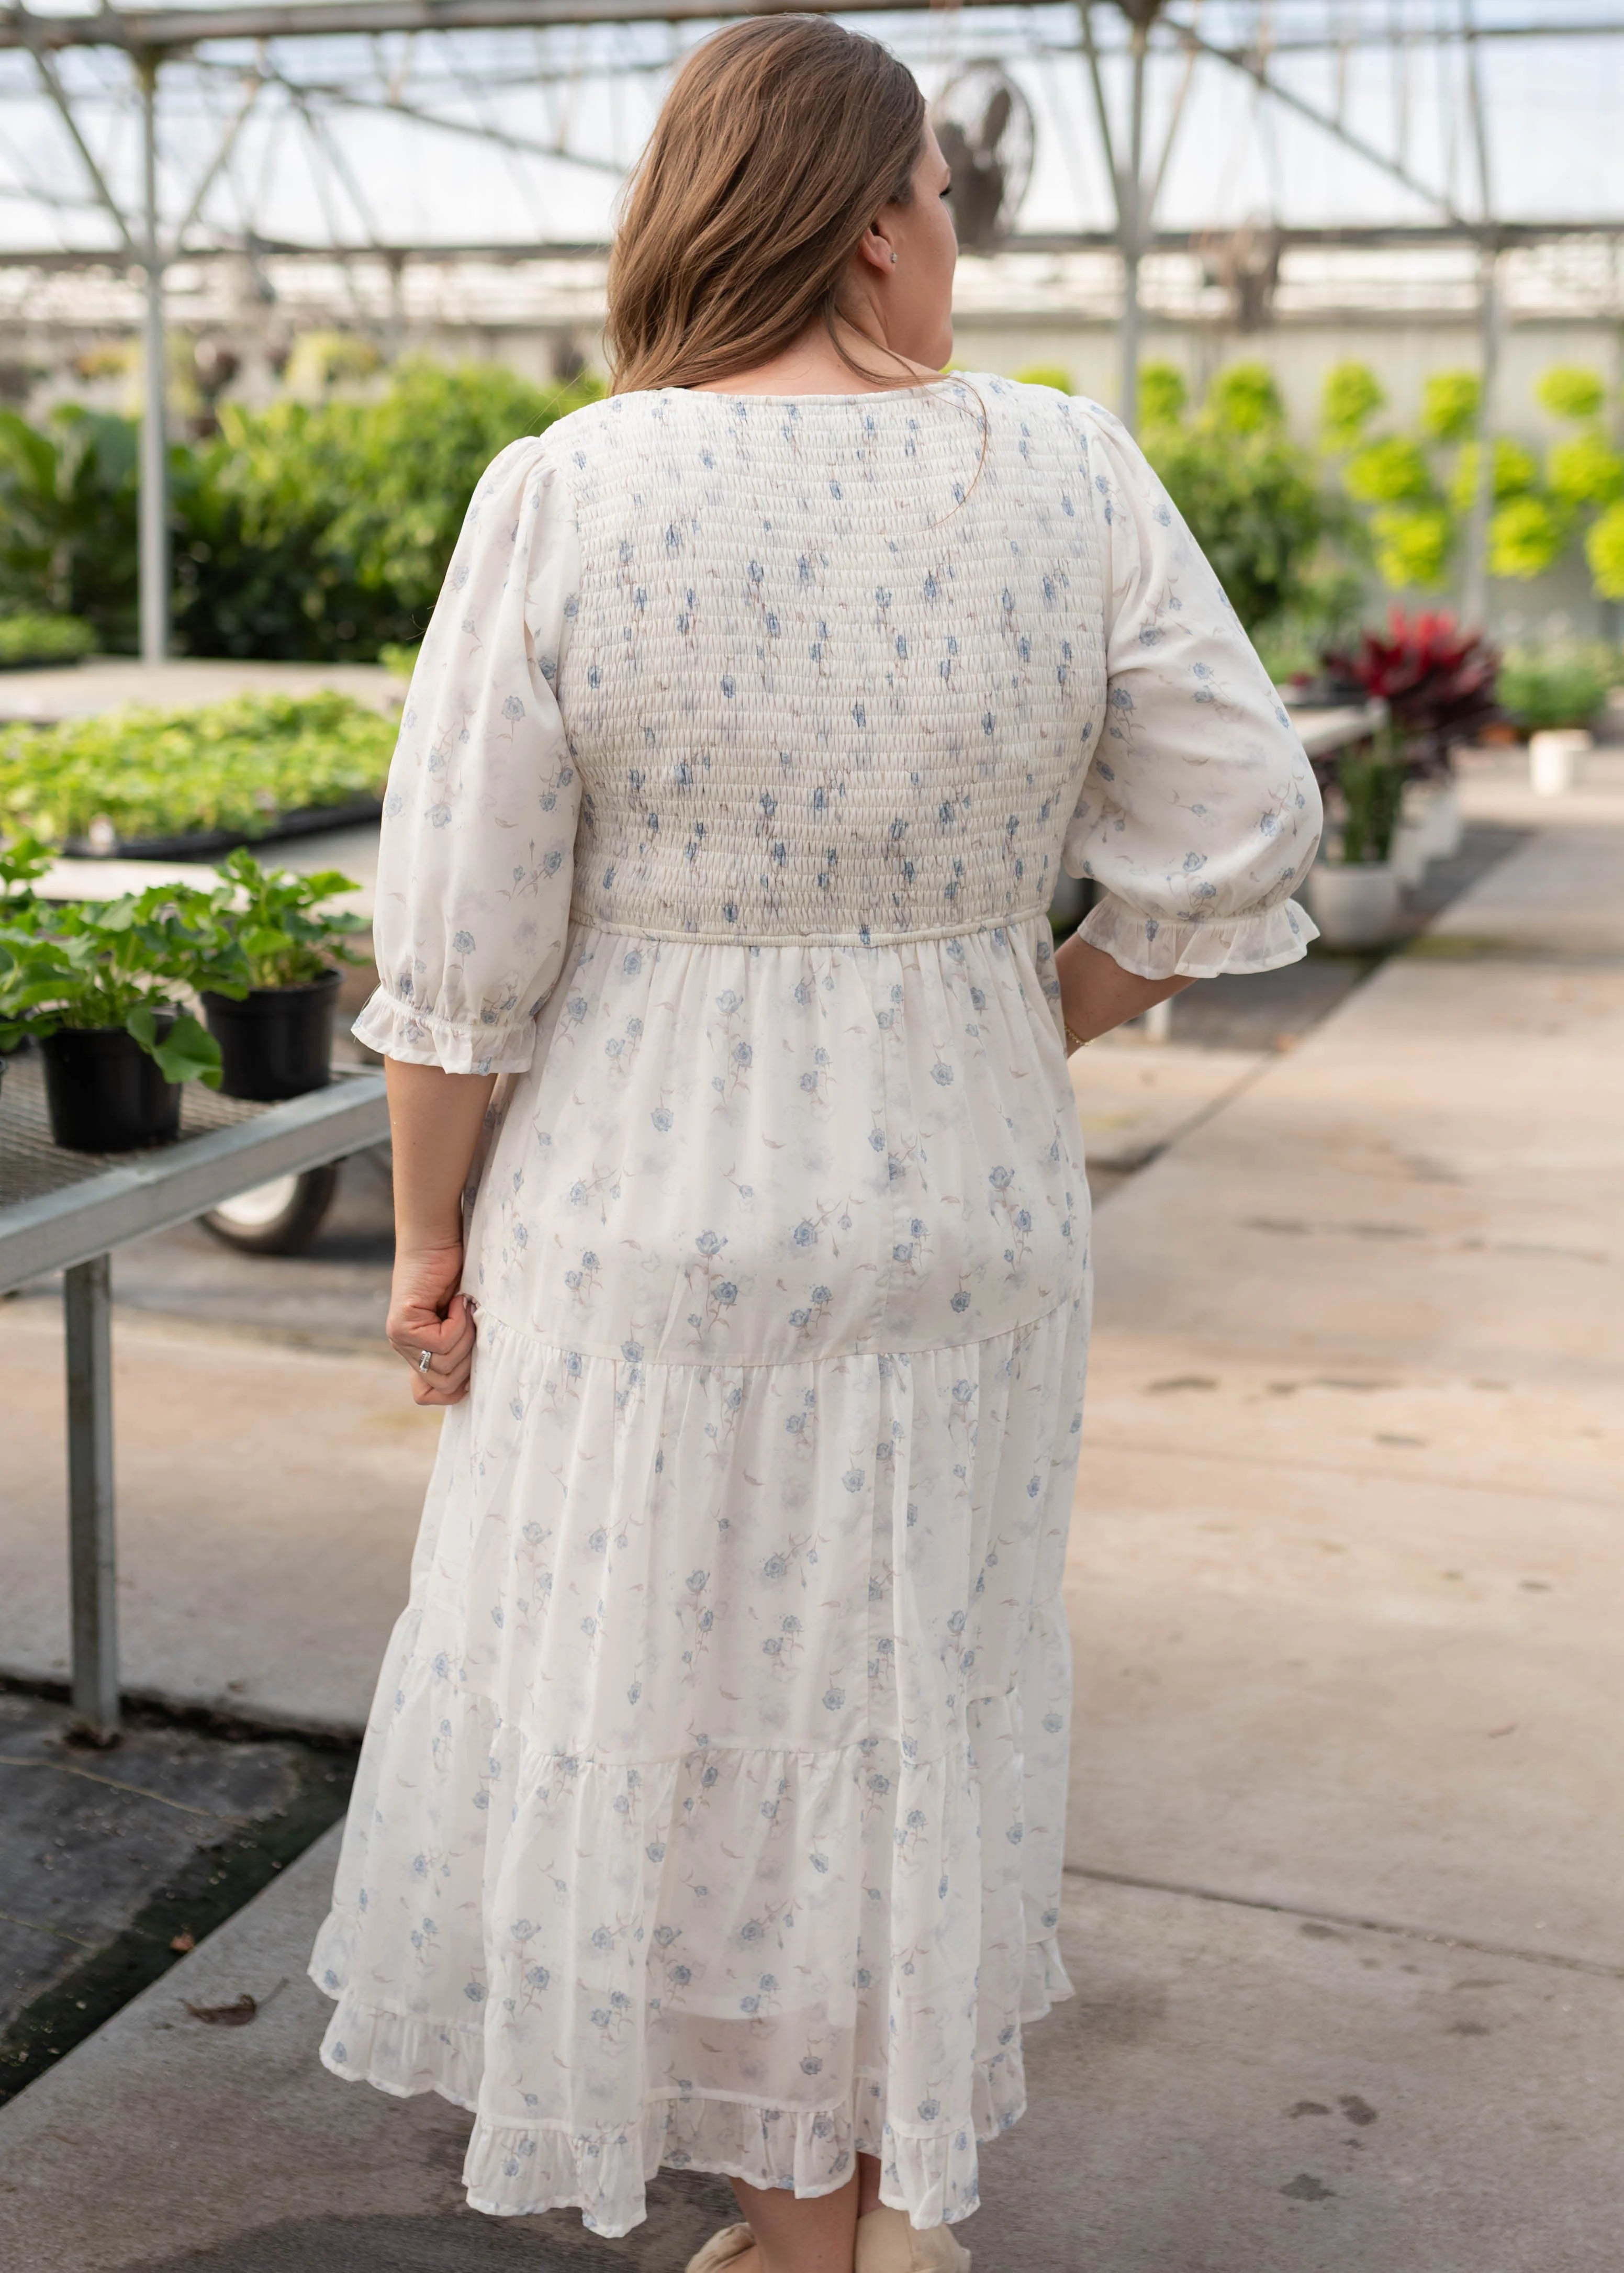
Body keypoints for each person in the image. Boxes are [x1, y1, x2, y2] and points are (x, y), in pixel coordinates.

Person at [308, 17, 1322, 2273]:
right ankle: (835, 2215)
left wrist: (425, 1241)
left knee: (663, 1709)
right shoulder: (1065, 473)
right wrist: (1029, 1008)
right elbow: (1242, 823)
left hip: (641, 1215)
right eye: (945, 200)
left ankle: (805, 2231)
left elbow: (460, 947)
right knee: (898, 1705)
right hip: (964, 1203)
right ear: (869, 223)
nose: (955, 239)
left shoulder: (570, 491)